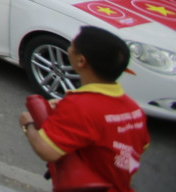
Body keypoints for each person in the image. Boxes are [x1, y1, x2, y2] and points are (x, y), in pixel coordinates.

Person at [18, 26, 148, 191]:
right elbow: (138, 145)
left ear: (81, 61)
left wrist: (28, 124)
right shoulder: (134, 109)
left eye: (72, 46)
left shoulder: (79, 106)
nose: (69, 49)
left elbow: (47, 150)